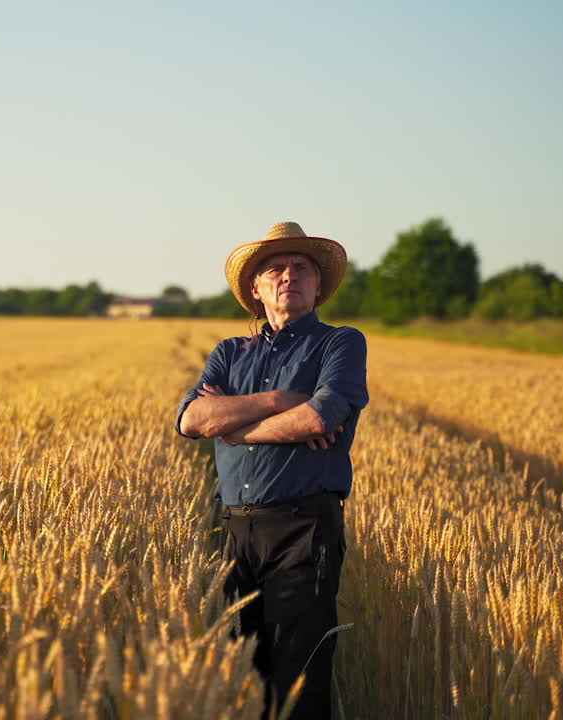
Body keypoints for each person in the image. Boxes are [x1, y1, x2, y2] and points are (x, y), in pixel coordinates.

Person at [176, 221, 369, 719]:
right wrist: (281, 401)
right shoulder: (228, 353)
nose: (289, 276)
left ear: (319, 285)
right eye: (275, 269)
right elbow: (192, 419)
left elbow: (321, 416)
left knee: (299, 678)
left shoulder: (339, 344)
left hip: (304, 527)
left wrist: (236, 428)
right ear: (255, 291)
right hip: (236, 528)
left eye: (301, 268)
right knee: (245, 676)